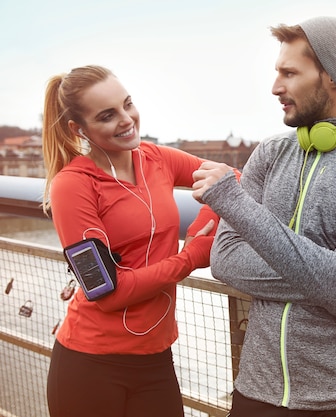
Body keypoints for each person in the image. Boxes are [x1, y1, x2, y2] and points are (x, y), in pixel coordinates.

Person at [191, 16, 336, 417]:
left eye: (289, 73)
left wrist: (235, 202)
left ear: (332, 75)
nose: (275, 87)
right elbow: (224, 260)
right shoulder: (271, 152)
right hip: (255, 389)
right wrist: (334, 291)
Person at [42, 64, 219, 417]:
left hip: (157, 359)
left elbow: (233, 179)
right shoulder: (72, 185)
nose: (126, 119)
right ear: (80, 129)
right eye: (108, 115)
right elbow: (108, 293)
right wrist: (192, 256)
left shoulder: (158, 158)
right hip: (91, 365)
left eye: (128, 104)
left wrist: (205, 220)